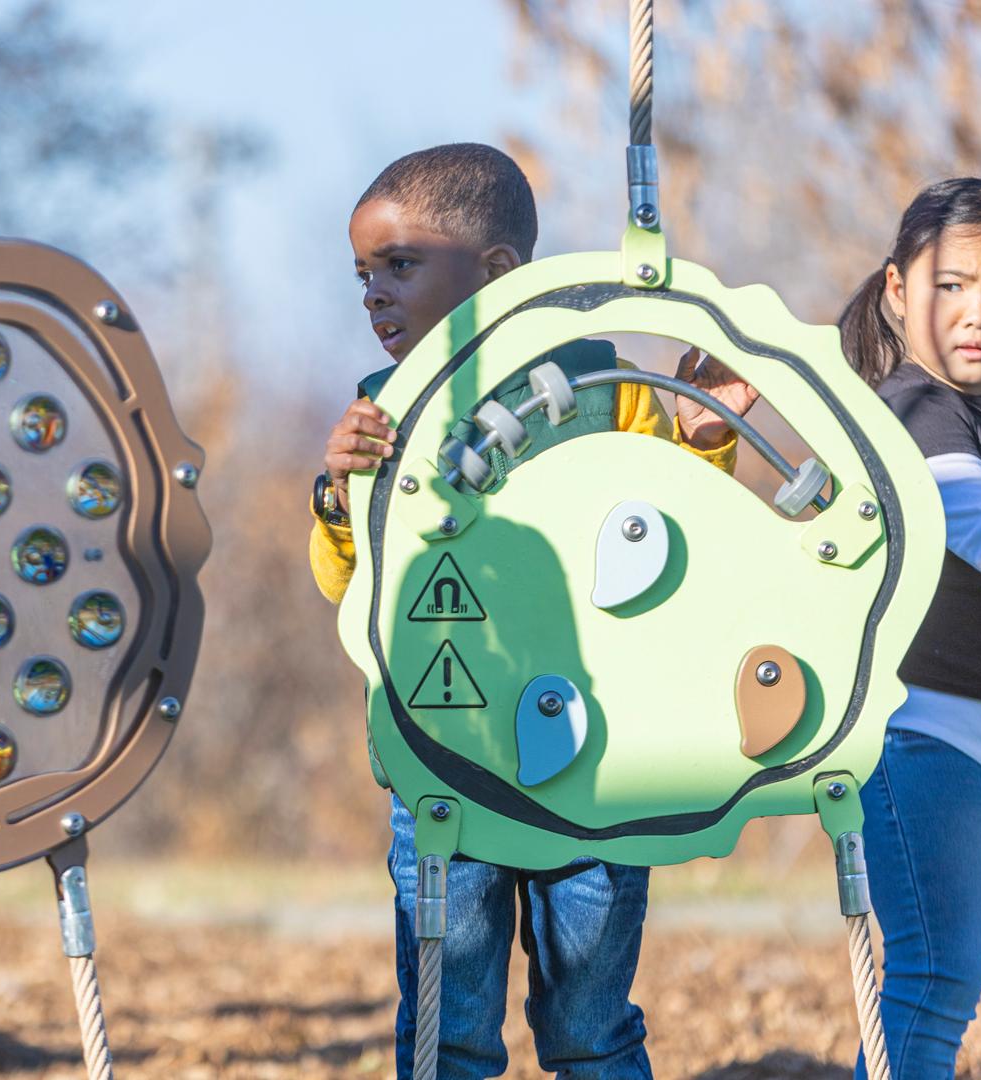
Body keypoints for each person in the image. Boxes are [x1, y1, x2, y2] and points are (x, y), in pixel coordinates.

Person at [309, 142, 761, 1079]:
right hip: (445, 763)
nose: (373, 294)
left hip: (598, 766)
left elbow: (674, 541)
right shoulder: (381, 414)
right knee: (449, 1028)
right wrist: (336, 492)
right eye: (363, 275)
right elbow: (350, 587)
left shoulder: (608, 387)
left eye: (399, 265)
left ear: (497, 274)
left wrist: (704, 443)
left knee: (590, 1026)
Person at [836, 177, 981, 1080]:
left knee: (955, 987)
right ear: (899, 293)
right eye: (952, 285)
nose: (978, 313)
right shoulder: (914, 410)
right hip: (932, 739)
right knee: (932, 984)